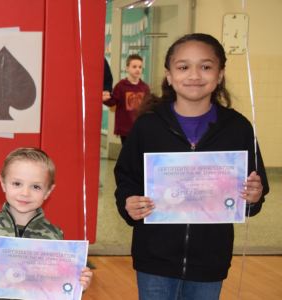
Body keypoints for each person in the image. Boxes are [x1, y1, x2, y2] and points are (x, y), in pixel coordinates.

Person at [114, 33, 269, 299]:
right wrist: (129, 202)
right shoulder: (148, 126)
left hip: (210, 259)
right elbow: (126, 178)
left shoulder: (237, 128)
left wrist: (253, 197)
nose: (194, 75)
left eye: (206, 66)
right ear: (169, 75)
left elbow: (255, 190)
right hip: (155, 257)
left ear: (219, 74)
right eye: (183, 67)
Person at [0, 147, 93, 298]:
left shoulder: (54, 235)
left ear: (48, 191)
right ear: (3, 184)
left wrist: (80, 282)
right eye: (17, 184)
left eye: (36, 187)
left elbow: (63, 279)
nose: (25, 193)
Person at [105, 54, 151, 144]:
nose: (138, 69)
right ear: (127, 68)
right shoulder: (120, 86)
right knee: (127, 152)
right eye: (134, 67)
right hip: (125, 129)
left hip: (140, 127)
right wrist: (103, 98)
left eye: (140, 67)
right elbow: (112, 102)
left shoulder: (145, 87)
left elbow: (148, 107)